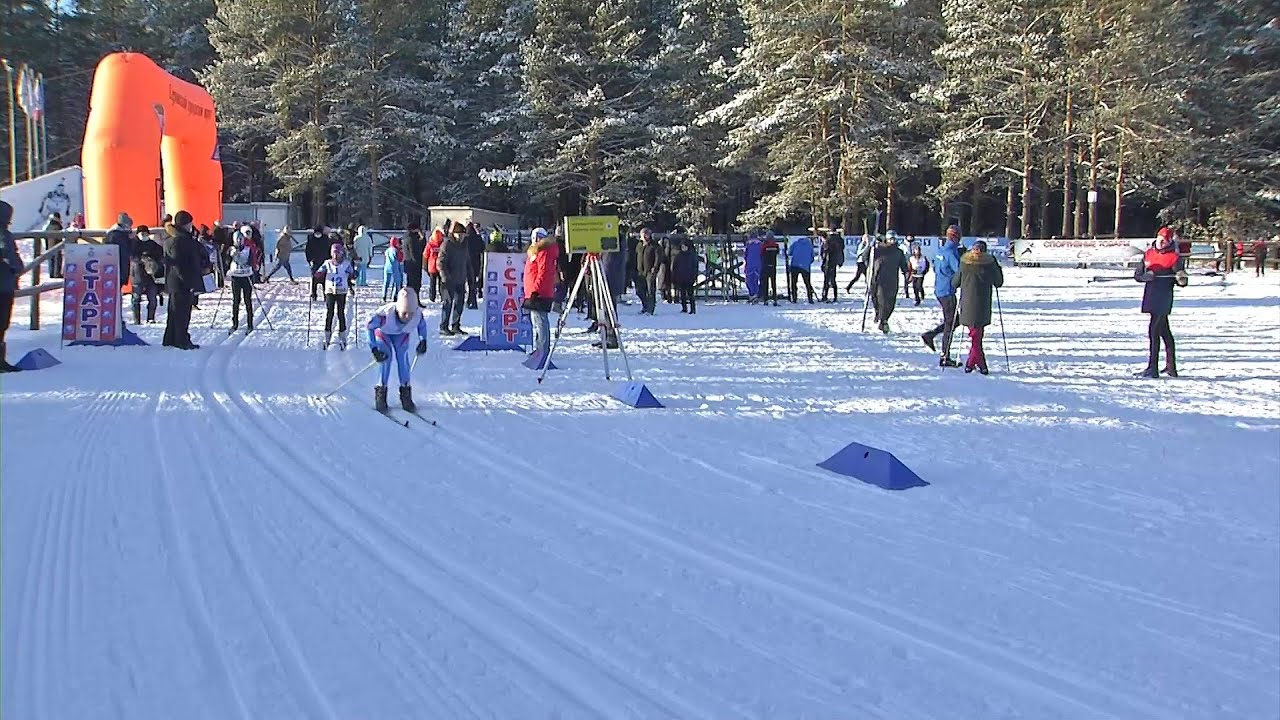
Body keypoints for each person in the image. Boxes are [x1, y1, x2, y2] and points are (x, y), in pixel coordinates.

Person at [1134, 226, 1188, 378]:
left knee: (1154, 331)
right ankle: (1171, 367)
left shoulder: (1175, 258)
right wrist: (1146, 277)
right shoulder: (1148, 254)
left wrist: (1181, 278)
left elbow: (1181, 279)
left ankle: (1153, 368)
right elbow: (1138, 275)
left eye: (1165, 241)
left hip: (1164, 297)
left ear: (1170, 241)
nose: (1162, 243)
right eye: (1160, 240)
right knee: (1165, 332)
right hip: (1151, 295)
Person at [367, 288, 430, 413]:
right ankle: (381, 392)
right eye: (404, 313)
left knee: (403, 359)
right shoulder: (384, 316)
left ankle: (405, 393)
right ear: (398, 309)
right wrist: (374, 348)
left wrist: (423, 340)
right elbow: (369, 327)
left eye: (410, 313)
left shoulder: (417, 314)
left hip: (401, 334)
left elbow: (422, 326)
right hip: (384, 332)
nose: (407, 317)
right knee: (386, 359)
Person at [952, 239, 1004, 374]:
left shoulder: (965, 263)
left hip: (967, 303)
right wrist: (997, 269)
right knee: (977, 335)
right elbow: (998, 282)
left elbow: (955, 282)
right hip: (983, 303)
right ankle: (978, 364)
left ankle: (972, 363)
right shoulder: (990, 263)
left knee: (975, 335)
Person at [922, 225, 964, 367]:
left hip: (940, 289)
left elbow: (935, 266)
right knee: (951, 323)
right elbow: (959, 272)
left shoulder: (941, 250)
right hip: (947, 291)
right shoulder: (952, 252)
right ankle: (945, 355)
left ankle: (931, 335)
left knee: (953, 321)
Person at [162, 211, 204, 350]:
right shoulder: (181, 240)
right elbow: (180, 264)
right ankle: (181, 340)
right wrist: (188, 282)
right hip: (182, 282)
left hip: (174, 281)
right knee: (182, 313)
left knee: (174, 312)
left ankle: (170, 338)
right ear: (186, 224)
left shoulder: (171, 238)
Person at [522, 227, 558, 358]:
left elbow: (544, 273)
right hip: (534, 290)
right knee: (537, 322)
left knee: (541, 321)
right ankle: (539, 348)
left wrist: (536, 290)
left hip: (539, 292)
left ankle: (543, 350)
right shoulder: (537, 252)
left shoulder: (544, 252)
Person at [319, 242, 356, 349]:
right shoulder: (327, 263)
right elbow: (320, 271)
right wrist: (317, 274)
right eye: (334, 253)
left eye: (338, 253)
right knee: (329, 312)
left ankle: (343, 336)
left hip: (341, 291)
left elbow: (352, 275)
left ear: (341, 253)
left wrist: (354, 275)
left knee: (340, 313)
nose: (335, 255)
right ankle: (327, 335)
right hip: (330, 290)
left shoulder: (346, 264)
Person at [0, 201, 23, 372]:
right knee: (1, 323)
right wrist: (17, 267)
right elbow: (10, 255)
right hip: (3, 284)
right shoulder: (3, 234)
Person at [870, 232, 908, 333]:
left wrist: (907, 274)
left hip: (892, 280)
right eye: (890, 239)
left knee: (890, 303)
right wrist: (870, 246)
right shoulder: (878, 250)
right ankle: (881, 318)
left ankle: (884, 319)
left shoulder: (898, 252)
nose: (892, 242)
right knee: (879, 301)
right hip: (878, 280)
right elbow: (866, 258)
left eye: (894, 240)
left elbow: (904, 265)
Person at [436, 223, 469, 335]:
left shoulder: (464, 245)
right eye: (458, 234)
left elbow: (467, 261)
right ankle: (443, 326)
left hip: (460, 278)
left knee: (459, 303)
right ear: (453, 234)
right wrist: (445, 277)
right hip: (449, 279)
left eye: (462, 234)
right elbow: (440, 262)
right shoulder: (447, 244)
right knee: (448, 303)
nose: (460, 236)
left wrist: (470, 276)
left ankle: (456, 325)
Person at [226, 229, 258, 335]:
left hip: (246, 276)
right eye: (237, 239)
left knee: (247, 300)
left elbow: (249, 260)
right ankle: (234, 323)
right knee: (236, 301)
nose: (239, 241)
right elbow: (226, 261)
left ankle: (250, 324)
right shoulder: (231, 249)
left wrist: (253, 266)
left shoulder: (247, 249)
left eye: (241, 239)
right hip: (236, 276)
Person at [130, 225, 164, 324]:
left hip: (151, 276)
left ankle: (151, 318)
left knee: (152, 298)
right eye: (142, 233)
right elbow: (132, 256)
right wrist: (141, 259)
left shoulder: (153, 245)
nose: (144, 235)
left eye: (145, 233)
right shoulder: (133, 244)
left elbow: (161, 256)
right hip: (137, 274)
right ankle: (137, 320)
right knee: (136, 298)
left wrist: (154, 261)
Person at [638, 230, 665, 314]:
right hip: (640, 271)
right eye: (643, 234)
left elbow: (658, 257)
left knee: (650, 291)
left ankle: (650, 308)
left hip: (650, 271)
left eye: (647, 234)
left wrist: (655, 268)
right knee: (640, 290)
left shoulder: (654, 245)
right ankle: (645, 306)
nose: (645, 236)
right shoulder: (639, 245)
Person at [671, 238, 699, 313]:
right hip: (681, 277)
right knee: (682, 294)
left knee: (690, 294)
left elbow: (695, 267)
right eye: (682, 247)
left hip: (689, 277)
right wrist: (674, 276)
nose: (683, 248)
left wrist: (694, 276)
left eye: (685, 246)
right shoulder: (679, 256)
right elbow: (675, 266)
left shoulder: (692, 255)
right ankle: (684, 308)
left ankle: (693, 309)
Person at [787, 234, 816, 304]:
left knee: (794, 283)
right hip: (805, 266)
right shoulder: (809, 245)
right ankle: (810, 298)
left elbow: (789, 253)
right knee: (807, 283)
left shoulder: (795, 243)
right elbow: (812, 257)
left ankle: (794, 298)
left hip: (795, 265)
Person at [403, 223, 427, 302]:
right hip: (414, 265)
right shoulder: (411, 239)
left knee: (413, 284)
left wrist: (422, 238)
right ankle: (412, 301)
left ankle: (413, 300)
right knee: (414, 284)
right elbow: (416, 251)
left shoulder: (408, 237)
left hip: (410, 264)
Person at [305, 226, 329, 301]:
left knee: (325, 279)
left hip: (324, 262)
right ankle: (314, 294)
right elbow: (307, 250)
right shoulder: (311, 239)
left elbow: (329, 249)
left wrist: (328, 260)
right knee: (314, 279)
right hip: (314, 262)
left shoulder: (325, 239)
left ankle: (326, 295)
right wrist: (310, 260)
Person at [821, 230, 845, 302]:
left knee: (826, 280)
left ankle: (825, 296)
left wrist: (823, 262)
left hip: (828, 262)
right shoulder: (840, 240)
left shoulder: (828, 241)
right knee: (833, 279)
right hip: (835, 262)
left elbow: (825, 253)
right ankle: (835, 296)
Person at [465, 222, 485, 308]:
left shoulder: (465, 240)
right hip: (476, 262)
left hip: (466, 263)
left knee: (468, 283)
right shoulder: (478, 238)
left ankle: (470, 300)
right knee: (473, 283)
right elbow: (482, 248)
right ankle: (473, 300)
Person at [760, 231, 781, 306]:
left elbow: (761, 253)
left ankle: (765, 299)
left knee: (765, 283)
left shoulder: (764, 245)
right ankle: (774, 298)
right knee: (773, 283)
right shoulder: (776, 245)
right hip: (773, 265)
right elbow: (778, 252)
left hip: (765, 265)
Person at [424, 227, 443, 302]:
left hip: (433, 267)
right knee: (439, 283)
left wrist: (425, 267)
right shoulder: (442, 244)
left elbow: (425, 255)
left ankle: (433, 297)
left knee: (435, 283)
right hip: (438, 267)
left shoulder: (430, 244)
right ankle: (440, 297)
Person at [383, 236, 405, 301]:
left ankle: (384, 295)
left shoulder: (388, 250)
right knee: (397, 282)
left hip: (387, 267)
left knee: (386, 282)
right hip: (395, 268)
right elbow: (400, 259)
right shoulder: (396, 251)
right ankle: (394, 296)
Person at [42, 212, 63, 278]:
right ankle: (56, 274)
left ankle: (52, 273)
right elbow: (59, 235)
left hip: (49, 244)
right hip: (55, 244)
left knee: (51, 259)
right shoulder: (56, 225)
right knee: (57, 259)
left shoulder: (48, 224)